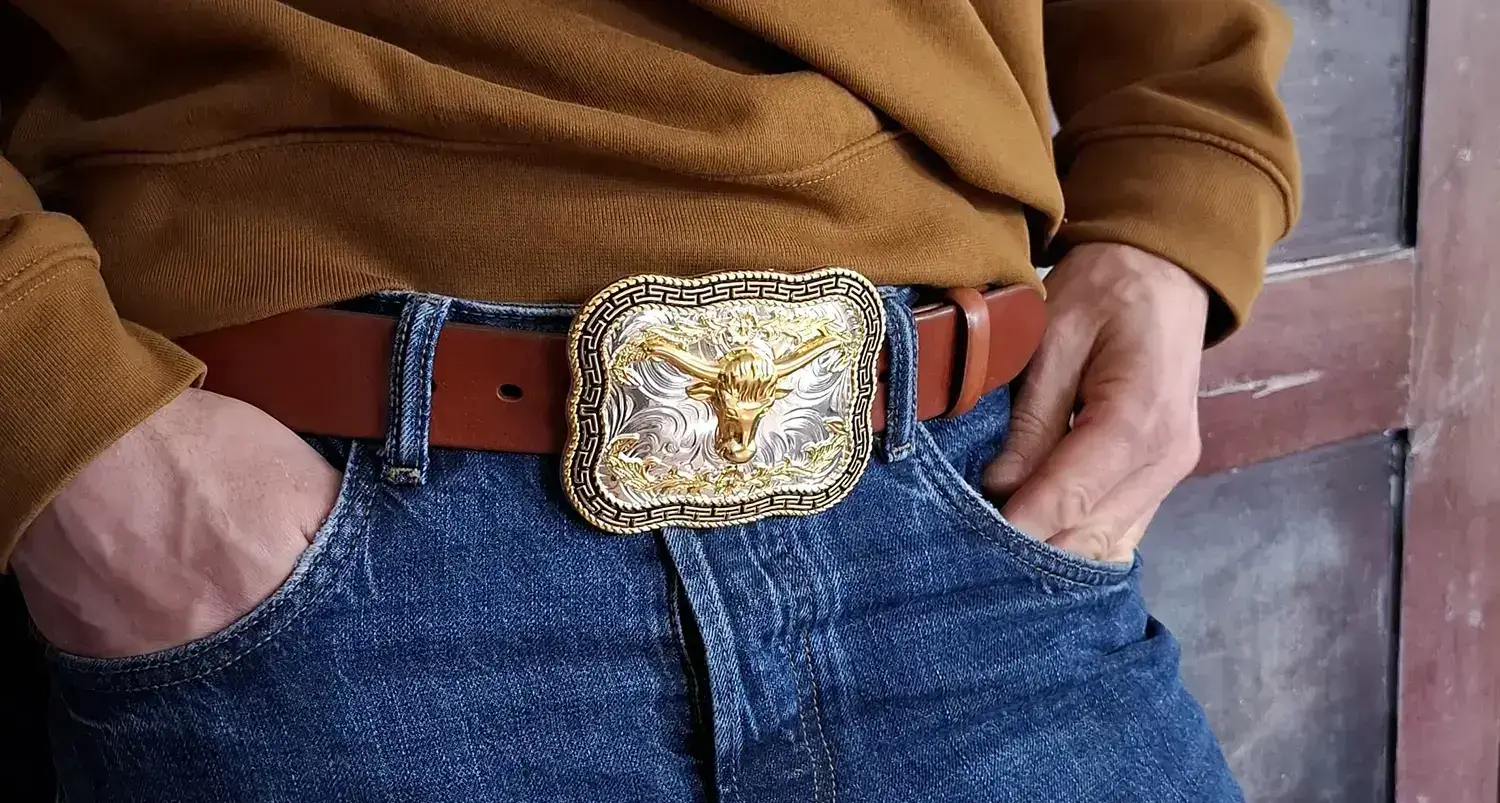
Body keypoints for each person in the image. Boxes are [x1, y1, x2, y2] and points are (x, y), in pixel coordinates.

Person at [0, 1, 1300, 801]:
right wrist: (52, 396)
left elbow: (1183, 76)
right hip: (328, 558)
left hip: (966, 510)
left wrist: (1179, 189)